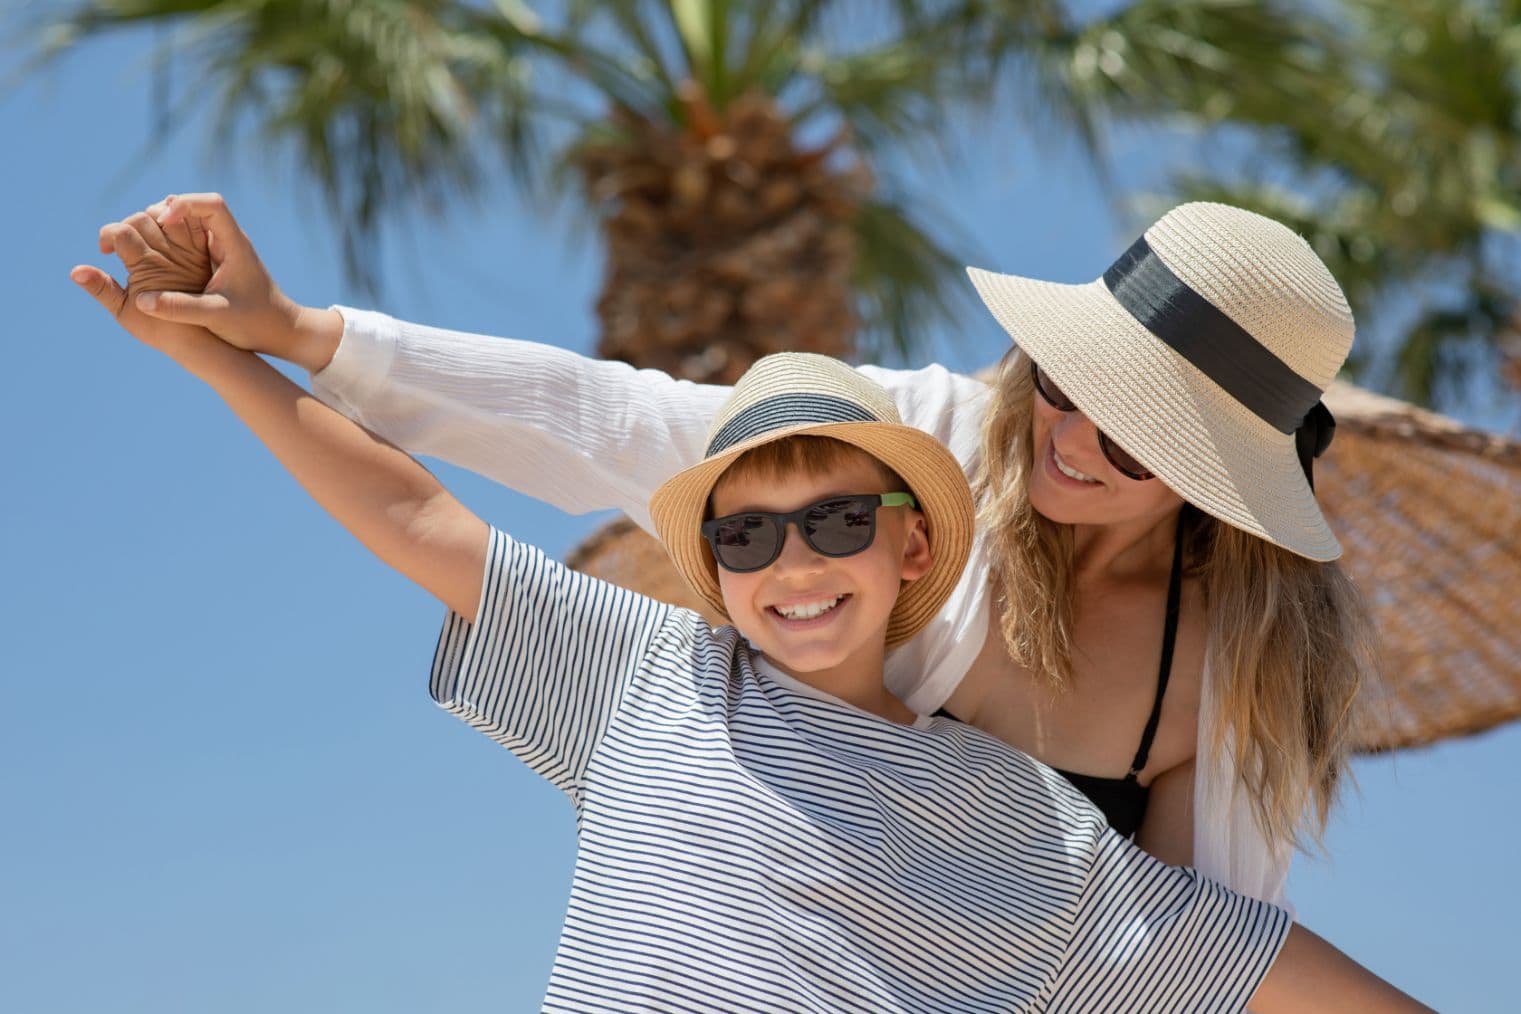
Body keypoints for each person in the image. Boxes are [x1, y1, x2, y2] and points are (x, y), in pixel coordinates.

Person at [72, 229, 1427, 1008]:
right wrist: (295, 335)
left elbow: (1213, 957)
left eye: (1137, 439)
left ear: (1216, 477)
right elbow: (597, 424)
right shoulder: (905, 452)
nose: (1071, 439)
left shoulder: (1206, 681)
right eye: (1069, 385)